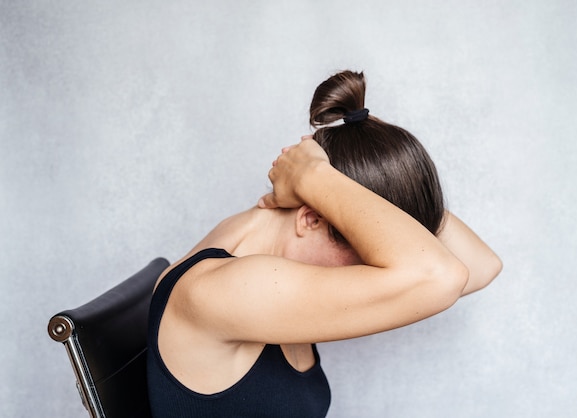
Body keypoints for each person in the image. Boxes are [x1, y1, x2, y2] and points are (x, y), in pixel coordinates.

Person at [146, 70, 502, 418]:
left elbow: (482, 265)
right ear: (312, 218)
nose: (374, 269)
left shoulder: (253, 245)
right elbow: (441, 277)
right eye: (367, 255)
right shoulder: (230, 287)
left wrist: (384, 159)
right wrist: (312, 175)